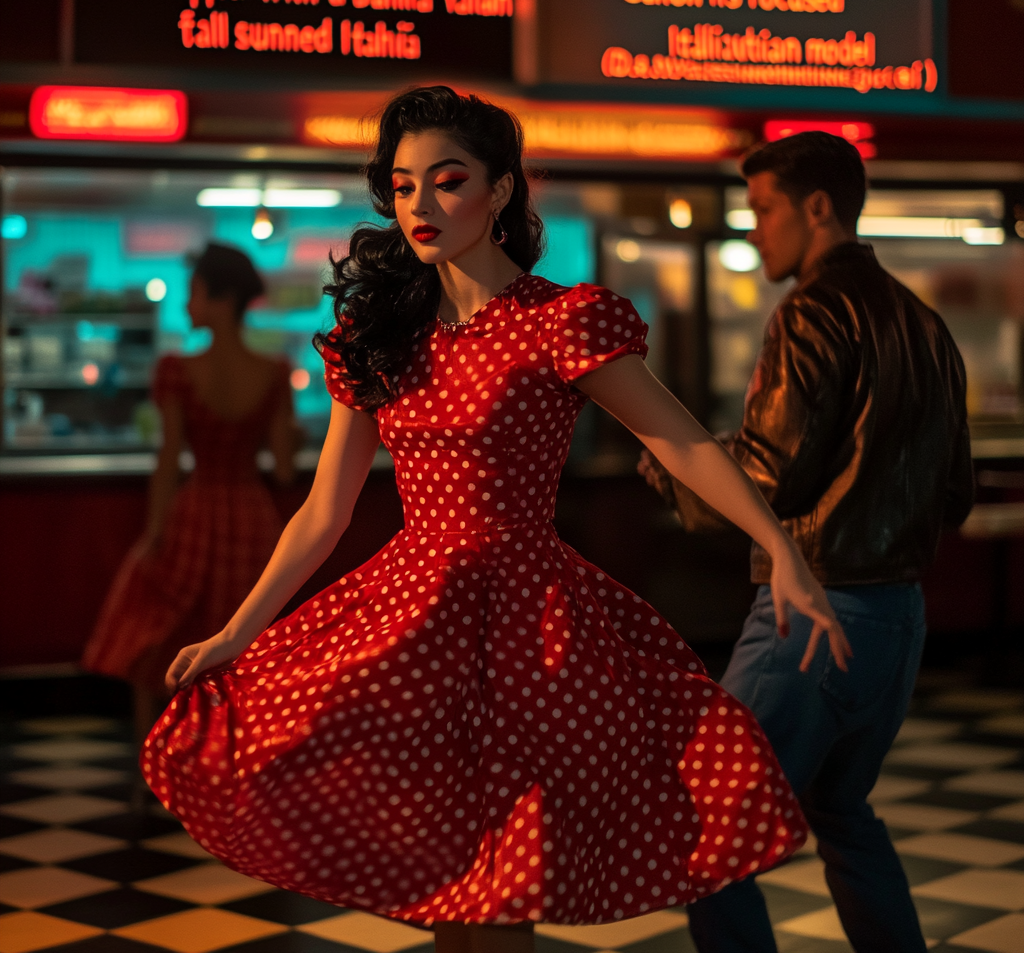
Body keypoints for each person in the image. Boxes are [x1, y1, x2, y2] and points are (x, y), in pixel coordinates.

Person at [141, 87, 850, 953]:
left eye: (446, 181)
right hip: (412, 625)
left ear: (501, 190)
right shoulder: (380, 331)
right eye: (403, 187)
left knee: (504, 891)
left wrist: (782, 550)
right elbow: (324, 510)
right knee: (451, 890)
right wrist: (238, 632)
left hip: (528, 630)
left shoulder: (560, 320)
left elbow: (684, 444)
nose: (421, 207)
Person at [638, 131, 974, 953]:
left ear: (816, 208)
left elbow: (770, 476)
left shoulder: (813, 311)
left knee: (709, 826)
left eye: (762, 211)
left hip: (810, 615)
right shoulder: (923, 321)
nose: (754, 233)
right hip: (899, 617)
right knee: (842, 814)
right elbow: (955, 494)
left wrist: (671, 462)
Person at [83, 243, 297, 744]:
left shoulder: (177, 370)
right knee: (245, 642)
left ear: (221, 299)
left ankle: (155, 766)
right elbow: (285, 470)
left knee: (155, 635)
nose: (186, 304)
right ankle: (234, 762)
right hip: (250, 515)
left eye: (195, 293)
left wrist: (156, 534)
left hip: (194, 509)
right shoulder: (273, 373)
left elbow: (169, 458)